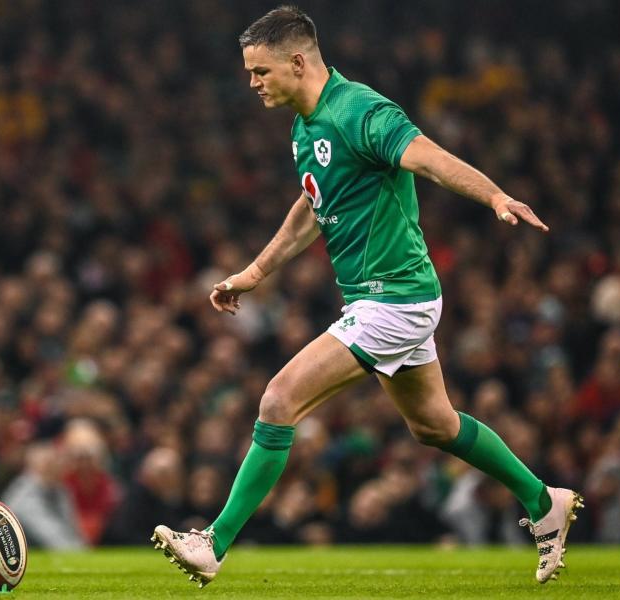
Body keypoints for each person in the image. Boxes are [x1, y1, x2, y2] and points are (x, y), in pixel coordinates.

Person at [152, 5, 582, 588]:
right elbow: (312, 205)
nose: (252, 82)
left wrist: (495, 196)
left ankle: (214, 541)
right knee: (434, 425)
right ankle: (543, 501)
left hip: (394, 299)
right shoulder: (306, 125)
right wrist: (253, 273)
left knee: (278, 400)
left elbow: (427, 156)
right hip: (381, 298)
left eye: (260, 71)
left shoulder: (362, 111)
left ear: (298, 62)